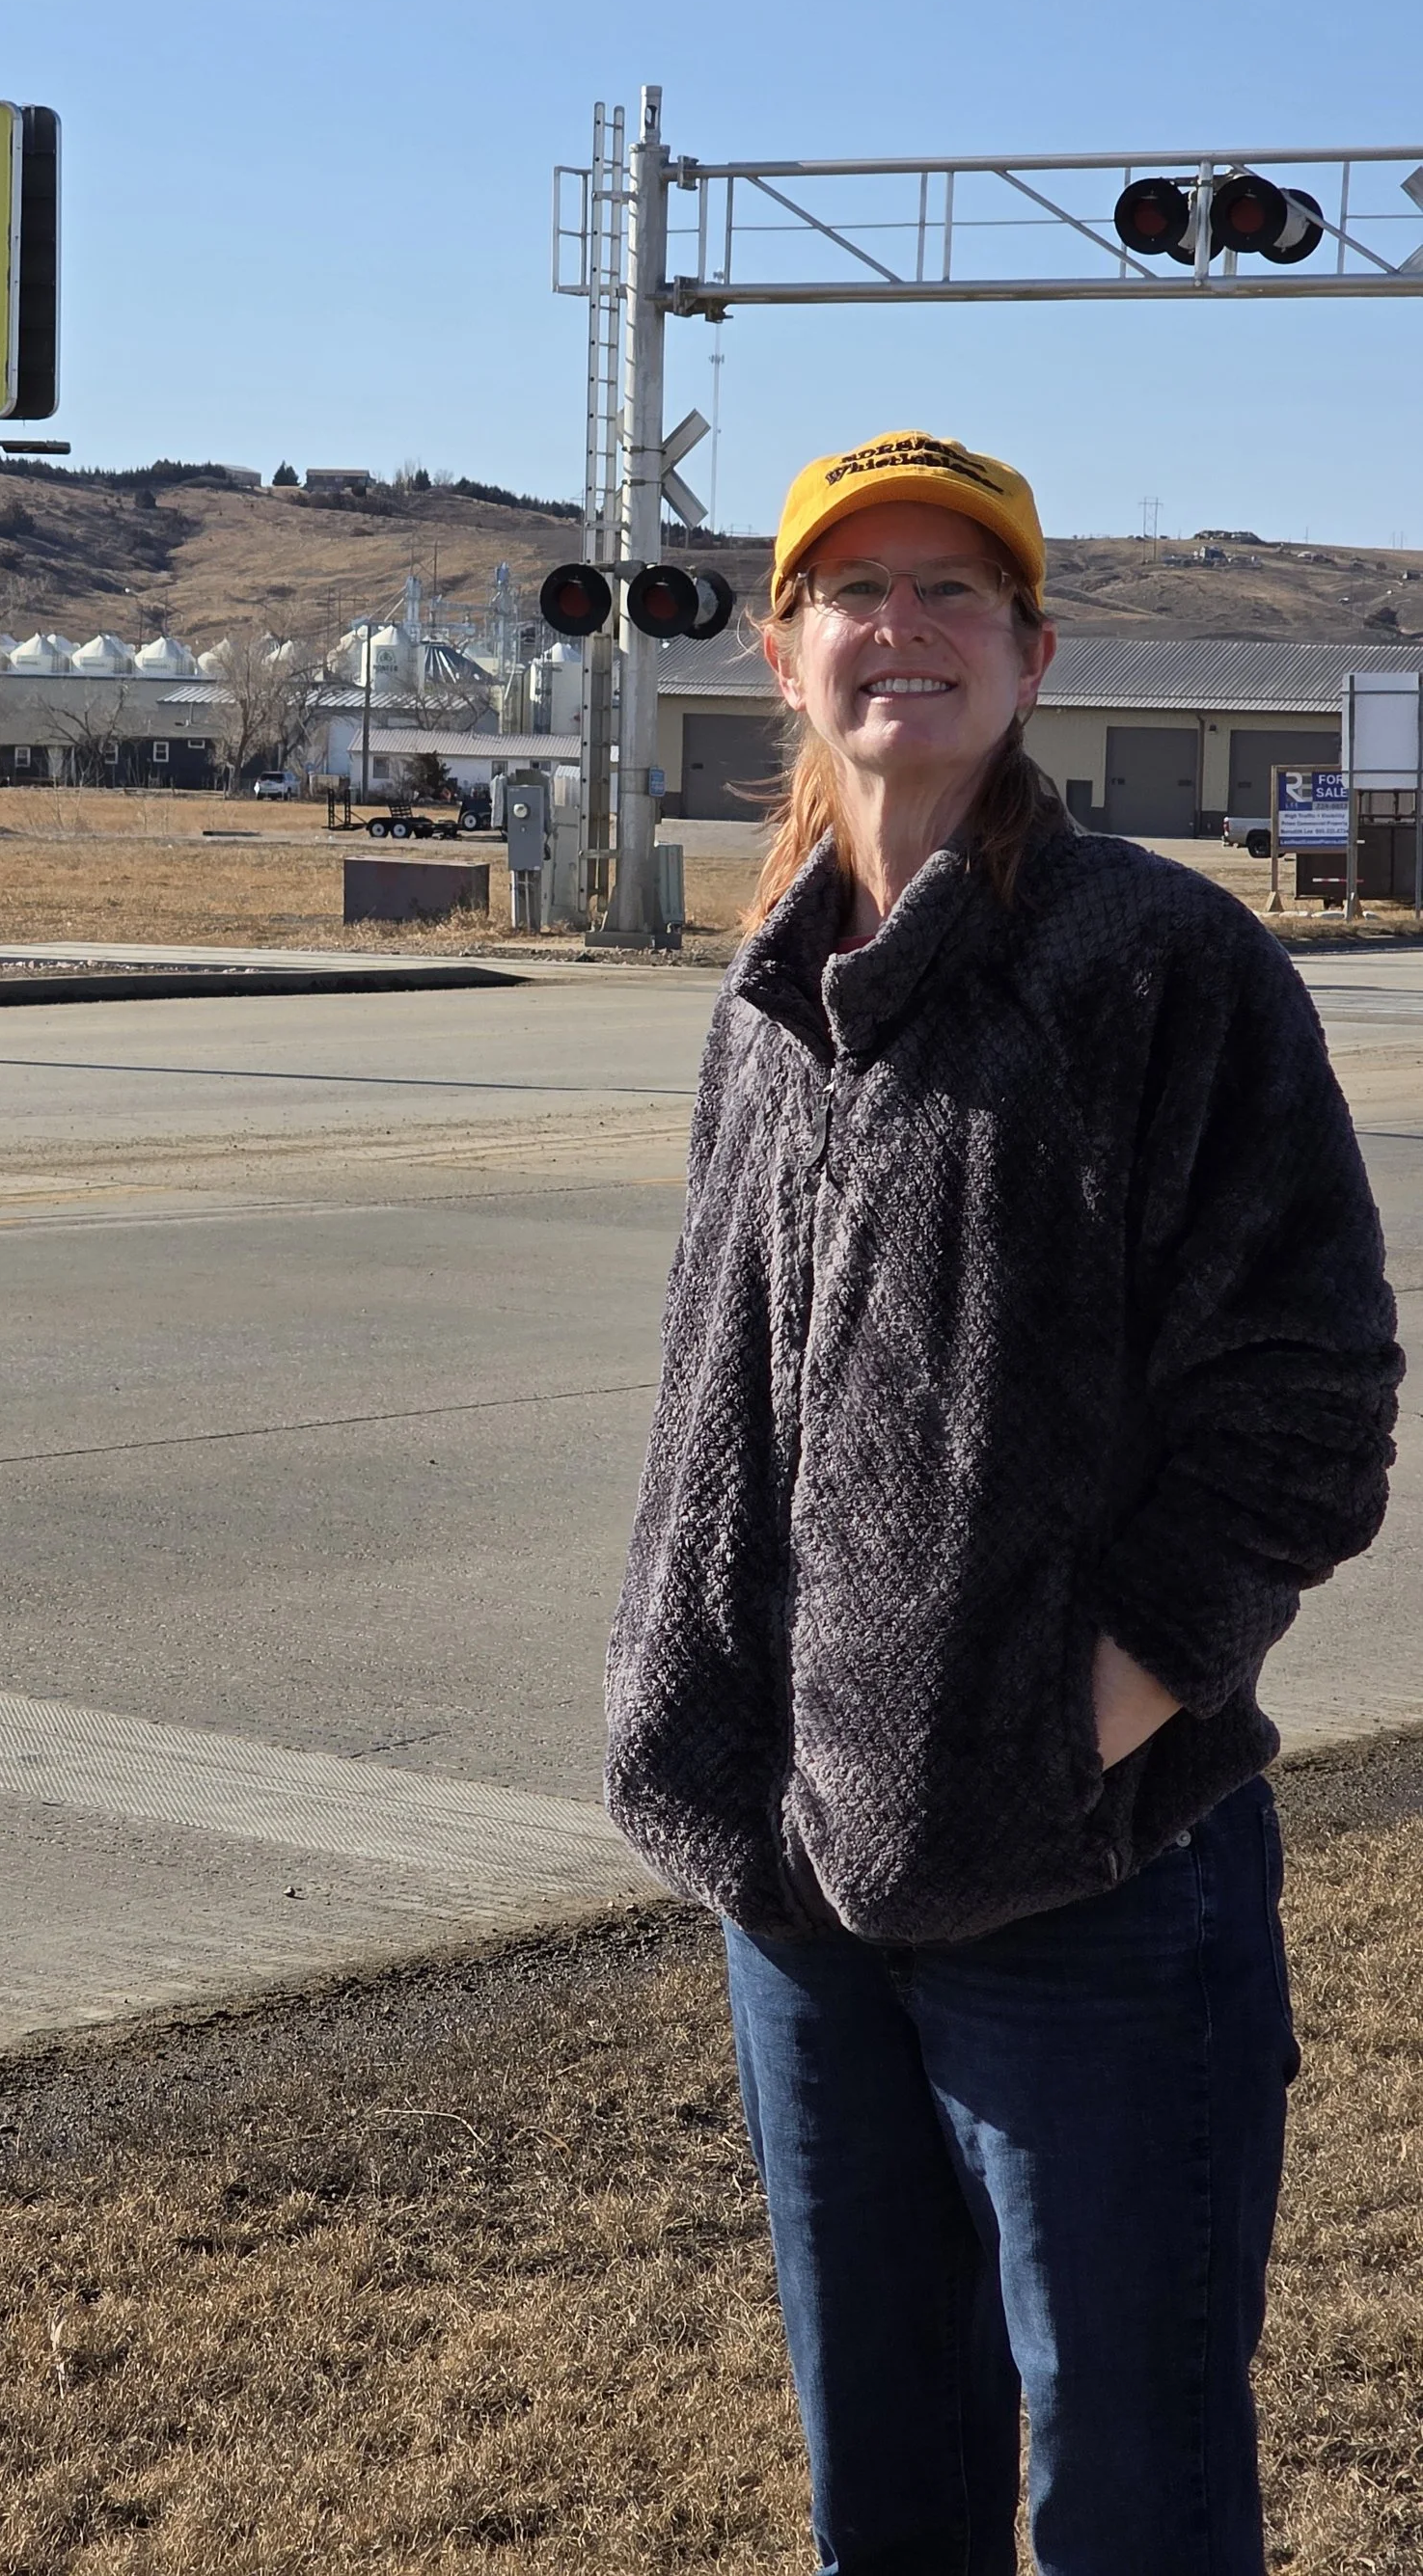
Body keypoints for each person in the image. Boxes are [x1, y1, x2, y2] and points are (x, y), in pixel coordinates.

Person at [604, 429, 1399, 2576]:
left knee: (1126, 2483)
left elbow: (1306, 1402)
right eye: (851, 590)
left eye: (953, 589)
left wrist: (1087, 1719)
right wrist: (715, 1730)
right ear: (777, 658)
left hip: (1087, 1891)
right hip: (794, 1878)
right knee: (891, 2486)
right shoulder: (767, 994)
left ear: (1032, 654)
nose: (902, 626)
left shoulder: (1156, 960)